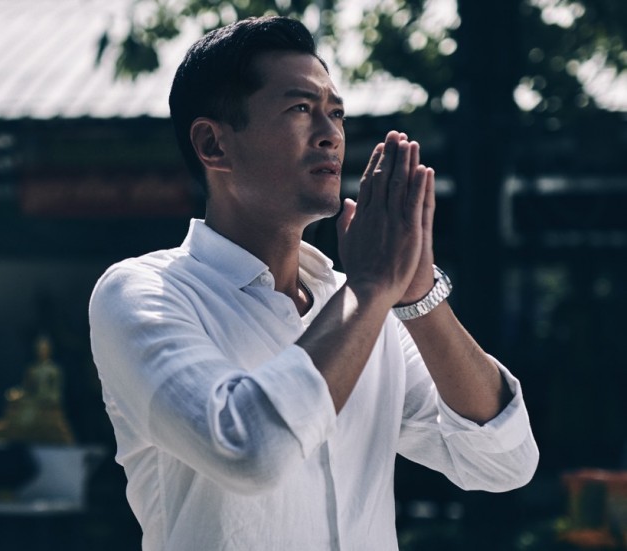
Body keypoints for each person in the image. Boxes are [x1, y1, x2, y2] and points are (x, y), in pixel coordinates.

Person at [88, 16, 538, 550]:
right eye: (300, 108)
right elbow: (247, 450)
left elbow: (504, 463)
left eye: (336, 112)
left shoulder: (366, 308)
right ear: (213, 145)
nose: (331, 134)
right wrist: (370, 289)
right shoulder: (145, 293)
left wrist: (418, 297)